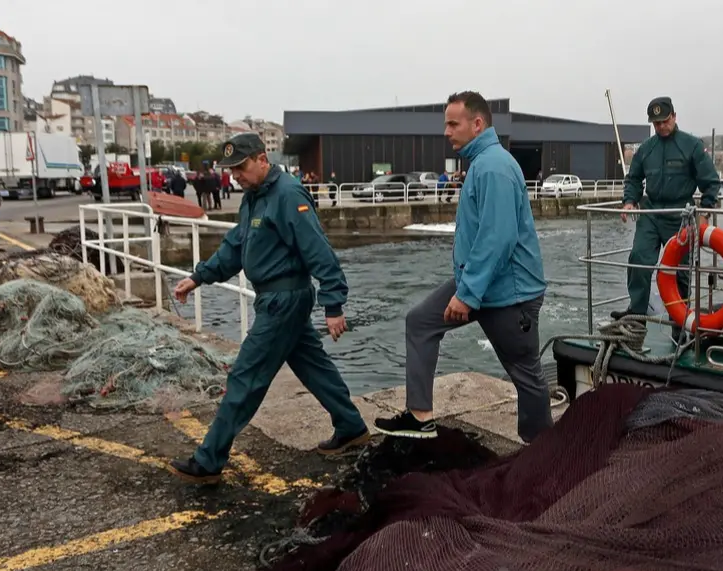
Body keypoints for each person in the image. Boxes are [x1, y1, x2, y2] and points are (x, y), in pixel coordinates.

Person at [167, 132, 370, 482]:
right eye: (231, 170)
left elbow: (319, 251)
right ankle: (351, 427)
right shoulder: (253, 198)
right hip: (275, 299)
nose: (235, 176)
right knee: (313, 367)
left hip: (284, 301)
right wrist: (198, 277)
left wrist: (333, 304)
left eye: (241, 167)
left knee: (245, 376)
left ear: (263, 159)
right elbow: (234, 248)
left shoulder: (288, 195)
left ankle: (209, 461)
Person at [373, 91, 551, 443]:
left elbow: (497, 238)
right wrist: (467, 288)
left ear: (478, 124)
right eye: (446, 124)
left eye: (453, 123)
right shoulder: (482, 163)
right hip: (481, 286)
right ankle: (420, 416)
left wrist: (467, 294)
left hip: (509, 295)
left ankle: (542, 451)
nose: (446, 131)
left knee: (526, 376)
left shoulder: (494, 167)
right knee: (421, 321)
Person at [614, 97, 721, 327]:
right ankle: (637, 314)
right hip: (651, 213)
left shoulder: (692, 146)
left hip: (680, 214)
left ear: (674, 116)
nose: (661, 126)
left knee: (680, 272)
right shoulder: (646, 149)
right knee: (639, 260)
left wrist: (706, 210)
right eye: (656, 123)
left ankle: (678, 321)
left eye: (664, 121)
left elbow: (711, 182)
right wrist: (629, 201)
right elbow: (633, 178)